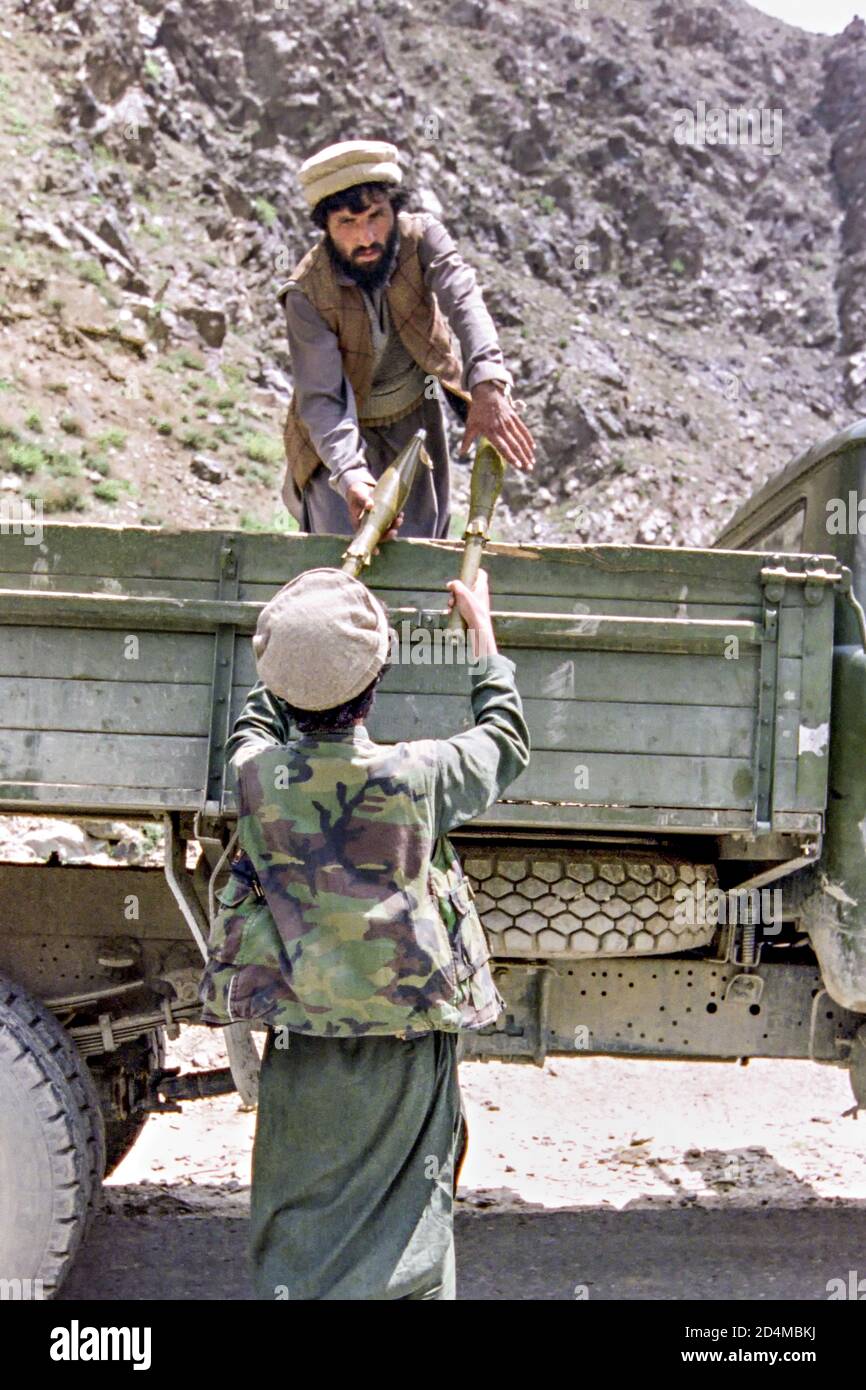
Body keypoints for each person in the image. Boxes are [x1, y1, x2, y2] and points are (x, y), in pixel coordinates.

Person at [222, 566, 529, 1300]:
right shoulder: (420, 774)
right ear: (379, 675)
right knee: (411, 1222)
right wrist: (481, 630)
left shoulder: (256, 778)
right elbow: (505, 739)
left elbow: (253, 723)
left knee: (298, 1206)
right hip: (407, 1039)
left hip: (302, 1037)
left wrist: (299, 651)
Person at [278, 138, 536, 538]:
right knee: (341, 554)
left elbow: (464, 300)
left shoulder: (422, 240)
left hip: (416, 421)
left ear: (394, 210)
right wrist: (351, 477)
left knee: (420, 554)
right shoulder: (307, 293)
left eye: (375, 216)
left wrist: (487, 382)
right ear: (326, 229)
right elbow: (322, 399)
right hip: (337, 441)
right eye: (346, 223)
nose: (365, 237)